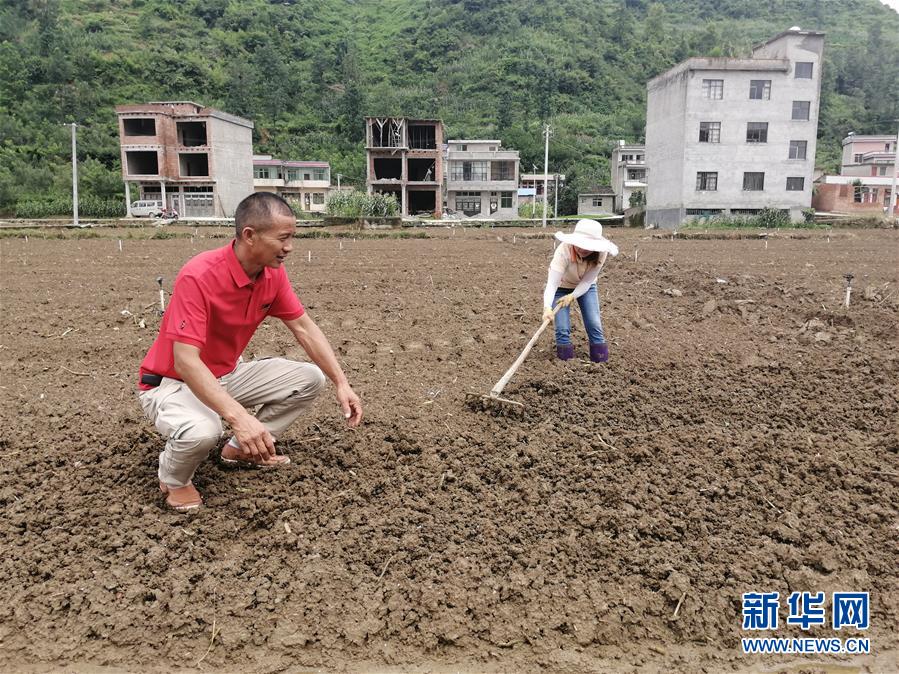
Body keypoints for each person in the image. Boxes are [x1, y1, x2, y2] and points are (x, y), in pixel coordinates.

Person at [137, 192, 363, 511]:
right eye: (283, 238)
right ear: (250, 235)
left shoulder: (272, 274)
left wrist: (341, 382)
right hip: (173, 384)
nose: (290, 247)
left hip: (227, 374)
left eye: (292, 237)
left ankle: (241, 450)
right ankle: (173, 480)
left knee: (310, 379)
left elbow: (304, 328)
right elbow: (185, 362)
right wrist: (240, 418)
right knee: (204, 431)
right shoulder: (200, 276)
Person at [542, 218, 619, 362]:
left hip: (586, 287)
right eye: (580, 245)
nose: (582, 249)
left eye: (587, 246)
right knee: (562, 329)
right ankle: (566, 363)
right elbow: (552, 284)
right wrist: (547, 308)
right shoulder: (563, 251)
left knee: (594, 323)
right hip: (560, 287)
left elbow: (587, 281)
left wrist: (573, 296)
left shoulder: (601, 253)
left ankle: (601, 362)